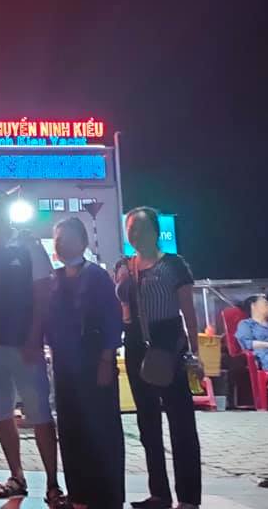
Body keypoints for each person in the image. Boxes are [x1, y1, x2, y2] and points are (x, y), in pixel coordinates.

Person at [0, 191, 61, 503]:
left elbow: (43, 293)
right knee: (1, 413)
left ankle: (53, 483)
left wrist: (35, 338)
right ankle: (16, 476)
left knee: (40, 414)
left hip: (25, 344)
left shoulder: (29, 245)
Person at [115, 207, 202, 509]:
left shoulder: (174, 265)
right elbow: (120, 307)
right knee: (147, 422)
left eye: (139, 228)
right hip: (135, 343)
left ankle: (188, 497)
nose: (134, 234)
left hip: (168, 342)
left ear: (155, 230)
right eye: (130, 228)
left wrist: (195, 353)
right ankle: (159, 494)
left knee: (180, 421)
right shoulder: (123, 266)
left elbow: (188, 312)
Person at [47, 218, 125, 509]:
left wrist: (106, 359)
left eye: (67, 238)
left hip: (94, 364)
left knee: (101, 430)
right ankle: (78, 494)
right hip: (64, 368)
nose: (62, 244)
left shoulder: (96, 276)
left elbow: (112, 320)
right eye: (58, 239)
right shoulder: (53, 279)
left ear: (82, 242)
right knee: (71, 430)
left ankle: (107, 497)